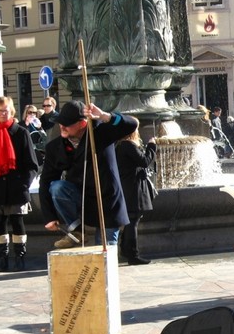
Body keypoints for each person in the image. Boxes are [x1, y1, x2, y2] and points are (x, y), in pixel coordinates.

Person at [39, 100, 137, 248]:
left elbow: (131, 124)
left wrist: (104, 116)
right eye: (61, 122)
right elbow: (46, 181)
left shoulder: (101, 133)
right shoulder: (55, 147)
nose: (62, 126)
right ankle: (76, 231)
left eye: (67, 123)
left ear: (82, 124)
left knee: (105, 254)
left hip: (106, 202)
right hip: (82, 199)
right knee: (56, 187)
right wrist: (49, 216)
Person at [0, 96, 39, 271]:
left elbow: (32, 164)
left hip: (16, 187)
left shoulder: (21, 133)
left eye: (6, 110)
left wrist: (24, 185)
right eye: (0, 111)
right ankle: (3, 259)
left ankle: (20, 259)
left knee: (17, 222)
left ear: (11, 111)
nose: (3, 113)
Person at [116, 120, 156, 265]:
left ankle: (125, 250)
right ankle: (133, 255)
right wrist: (152, 146)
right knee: (133, 221)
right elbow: (144, 161)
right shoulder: (128, 145)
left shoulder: (120, 145)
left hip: (127, 186)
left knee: (131, 220)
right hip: (133, 188)